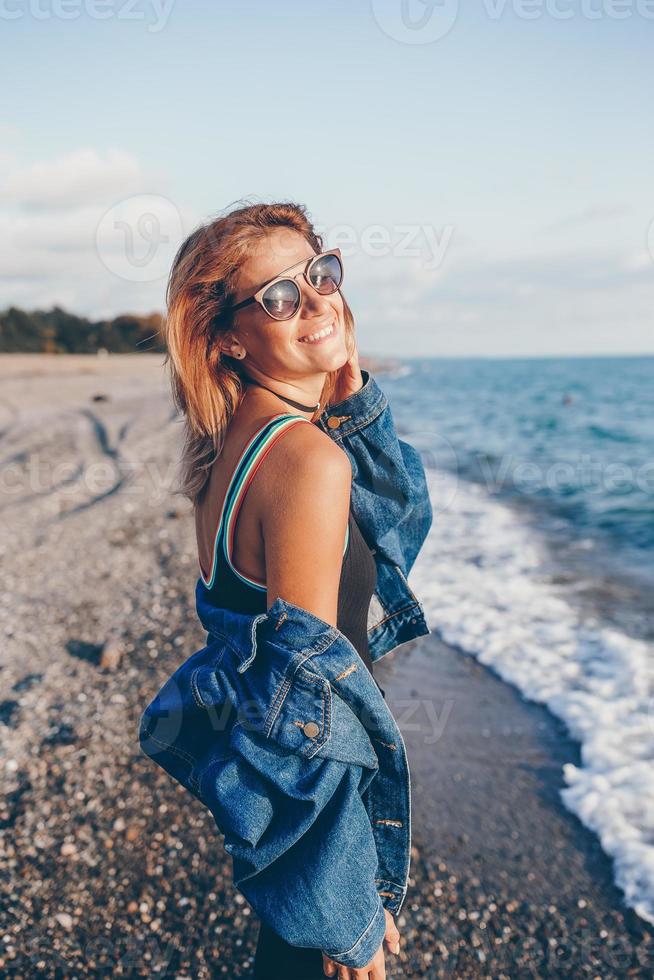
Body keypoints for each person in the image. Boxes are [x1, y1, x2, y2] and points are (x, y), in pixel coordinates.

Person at [155, 201, 427, 978]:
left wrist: (355, 407)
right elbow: (304, 716)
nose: (316, 301)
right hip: (313, 826)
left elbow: (398, 526)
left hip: (287, 822)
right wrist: (347, 912)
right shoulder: (306, 463)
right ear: (231, 336)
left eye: (321, 274)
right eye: (278, 296)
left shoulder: (231, 443)